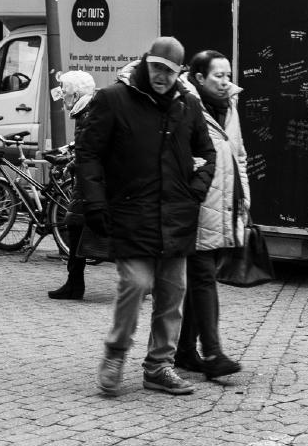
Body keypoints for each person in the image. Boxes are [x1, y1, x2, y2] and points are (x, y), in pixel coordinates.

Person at [78, 36, 216, 397]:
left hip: (176, 216)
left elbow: (207, 153)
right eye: (156, 67)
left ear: (179, 73)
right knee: (136, 284)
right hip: (131, 214)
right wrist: (95, 201)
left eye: (169, 71)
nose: (161, 76)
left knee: (173, 294)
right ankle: (116, 351)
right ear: (146, 62)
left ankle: (158, 366)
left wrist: (195, 191)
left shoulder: (187, 106)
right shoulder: (113, 100)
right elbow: (89, 154)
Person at [175, 50, 248, 381]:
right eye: (218, 75)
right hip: (197, 206)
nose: (226, 81)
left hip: (225, 205)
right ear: (199, 77)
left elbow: (240, 156)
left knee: (199, 280)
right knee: (203, 278)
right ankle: (214, 353)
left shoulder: (230, 106)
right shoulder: (184, 106)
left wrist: (245, 198)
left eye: (228, 74)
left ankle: (185, 352)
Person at [48, 70, 97, 301]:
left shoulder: (86, 114)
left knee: (74, 226)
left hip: (87, 185)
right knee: (75, 228)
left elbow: (89, 150)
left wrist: (72, 165)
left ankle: (74, 284)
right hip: (87, 183)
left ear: (76, 94)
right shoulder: (87, 111)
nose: (62, 97)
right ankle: (74, 282)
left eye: (65, 92)